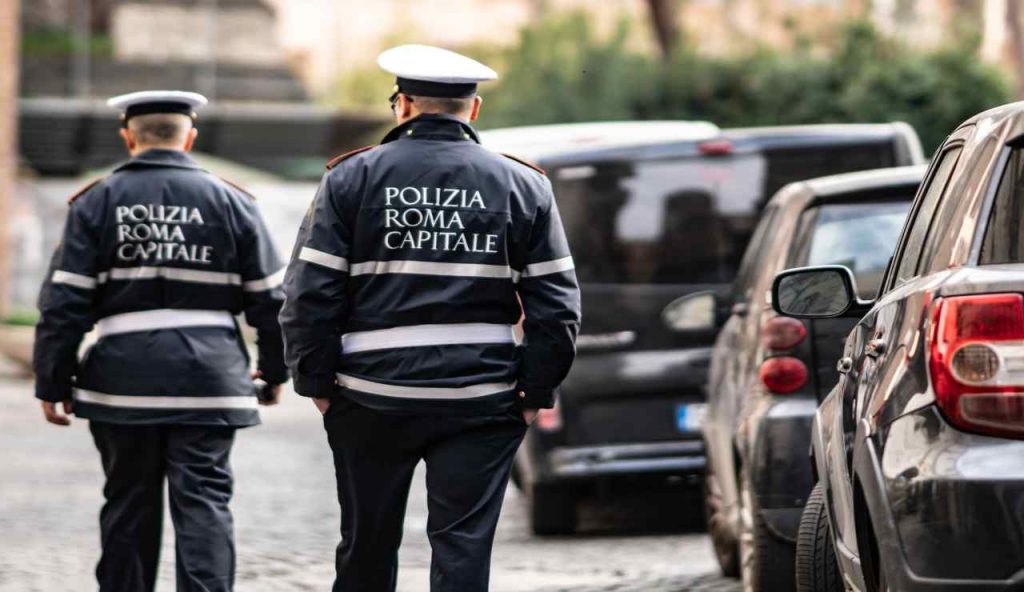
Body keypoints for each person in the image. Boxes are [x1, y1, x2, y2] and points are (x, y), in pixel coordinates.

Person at [279, 44, 581, 592]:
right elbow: (556, 304)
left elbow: (308, 293)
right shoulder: (524, 185)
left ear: (403, 106)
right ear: (474, 109)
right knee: (463, 548)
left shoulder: (351, 179)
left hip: (370, 394)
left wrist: (317, 381)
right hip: (482, 396)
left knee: (366, 543)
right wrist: (536, 389)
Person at [33, 90, 289, 592]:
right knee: (206, 504)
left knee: (128, 505)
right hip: (210, 380)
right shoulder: (234, 201)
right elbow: (270, 300)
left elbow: (65, 303)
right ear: (189, 138)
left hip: (122, 382)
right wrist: (275, 371)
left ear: (128, 137)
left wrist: (52, 379)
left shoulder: (96, 201)